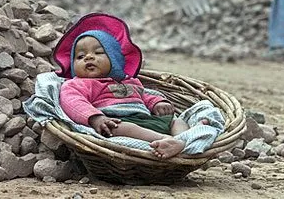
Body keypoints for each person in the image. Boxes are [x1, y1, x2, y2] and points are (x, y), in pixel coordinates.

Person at [56, 13, 206, 159]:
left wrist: (158, 103)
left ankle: (183, 139)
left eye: (98, 52)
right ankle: (166, 140)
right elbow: (73, 102)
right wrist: (96, 118)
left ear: (114, 59)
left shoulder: (130, 81)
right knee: (119, 129)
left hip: (147, 119)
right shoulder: (77, 84)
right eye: (80, 56)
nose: (88, 57)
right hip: (116, 121)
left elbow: (144, 95)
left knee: (176, 121)